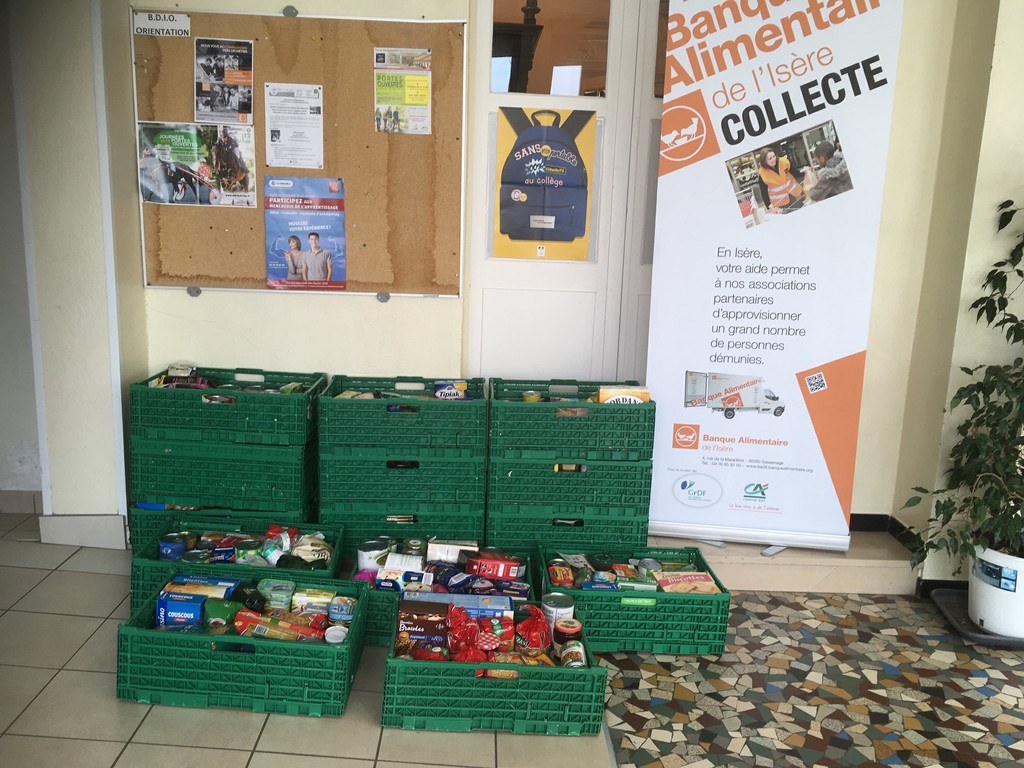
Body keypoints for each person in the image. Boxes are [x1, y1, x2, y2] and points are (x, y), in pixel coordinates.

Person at [756, 147, 804, 213]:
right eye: (770, 159)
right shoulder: (762, 173)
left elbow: (795, 173)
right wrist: (769, 206)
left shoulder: (784, 161)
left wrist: (805, 172)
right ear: (764, 161)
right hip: (781, 202)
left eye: (774, 156)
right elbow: (764, 192)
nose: (773, 159)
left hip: (795, 194)